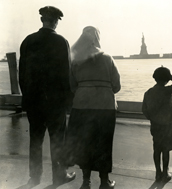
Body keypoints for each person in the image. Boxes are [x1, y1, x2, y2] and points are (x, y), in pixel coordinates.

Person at [19, 6, 76, 186]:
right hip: (55, 103)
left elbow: (22, 74)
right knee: (57, 140)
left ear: (42, 20)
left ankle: (34, 177)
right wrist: (68, 101)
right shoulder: (61, 42)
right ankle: (58, 175)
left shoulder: (28, 41)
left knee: (35, 140)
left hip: (33, 102)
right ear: (55, 21)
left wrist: (27, 97)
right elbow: (66, 74)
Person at [64, 26, 121, 189]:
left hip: (82, 107)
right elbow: (117, 86)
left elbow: (72, 85)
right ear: (97, 38)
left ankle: (86, 182)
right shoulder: (108, 58)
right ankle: (104, 182)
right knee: (104, 144)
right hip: (105, 108)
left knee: (84, 144)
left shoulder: (76, 61)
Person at [142, 66, 172, 183]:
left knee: (157, 149)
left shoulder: (148, 92)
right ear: (166, 79)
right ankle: (165, 172)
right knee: (166, 150)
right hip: (167, 125)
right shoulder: (167, 90)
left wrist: (152, 118)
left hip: (155, 125)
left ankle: (157, 172)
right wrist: (171, 77)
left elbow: (144, 109)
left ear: (154, 78)